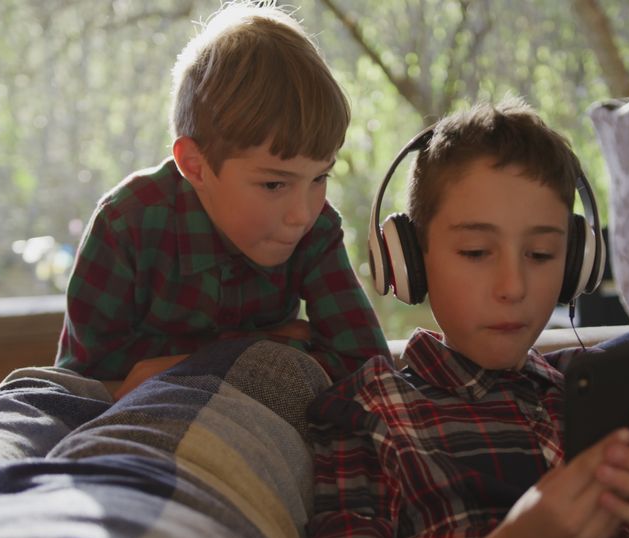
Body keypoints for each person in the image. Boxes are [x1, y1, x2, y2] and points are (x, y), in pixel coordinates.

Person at [306, 99, 629, 538]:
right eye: (475, 252)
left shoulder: (610, 396)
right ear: (408, 258)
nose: (513, 287)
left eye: (542, 254)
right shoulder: (368, 413)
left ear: (577, 265)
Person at [55, 1, 389, 393]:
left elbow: (366, 371)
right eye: (274, 185)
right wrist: (277, 344)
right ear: (195, 166)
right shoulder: (125, 224)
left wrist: (189, 362)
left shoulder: (316, 230)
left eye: (320, 177)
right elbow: (82, 388)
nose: (303, 213)